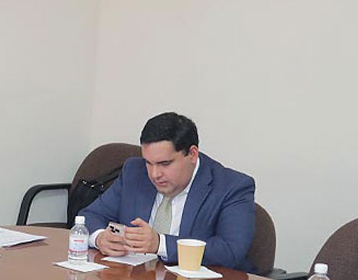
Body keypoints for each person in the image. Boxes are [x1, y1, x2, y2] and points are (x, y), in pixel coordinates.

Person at [80, 112, 256, 271]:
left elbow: (231, 251)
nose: (154, 174)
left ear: (192, 154)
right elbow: (89, 216)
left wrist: (160, 244)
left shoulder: (232, 187)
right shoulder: (134, 172)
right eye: (148, 163)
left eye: (165, 164)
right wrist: (100, 238)